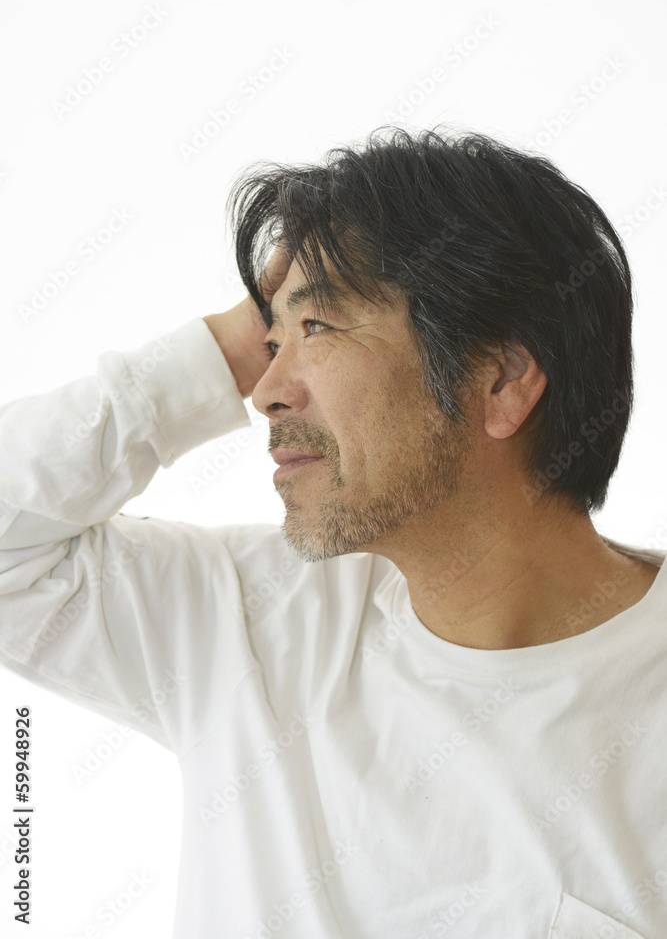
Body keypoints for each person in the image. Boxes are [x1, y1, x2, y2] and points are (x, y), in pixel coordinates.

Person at [1, 125, 665, 938]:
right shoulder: (245, 623)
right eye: (267, 341)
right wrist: (218, 354)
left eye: (315, 328)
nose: (263, 391)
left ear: (499, 380)